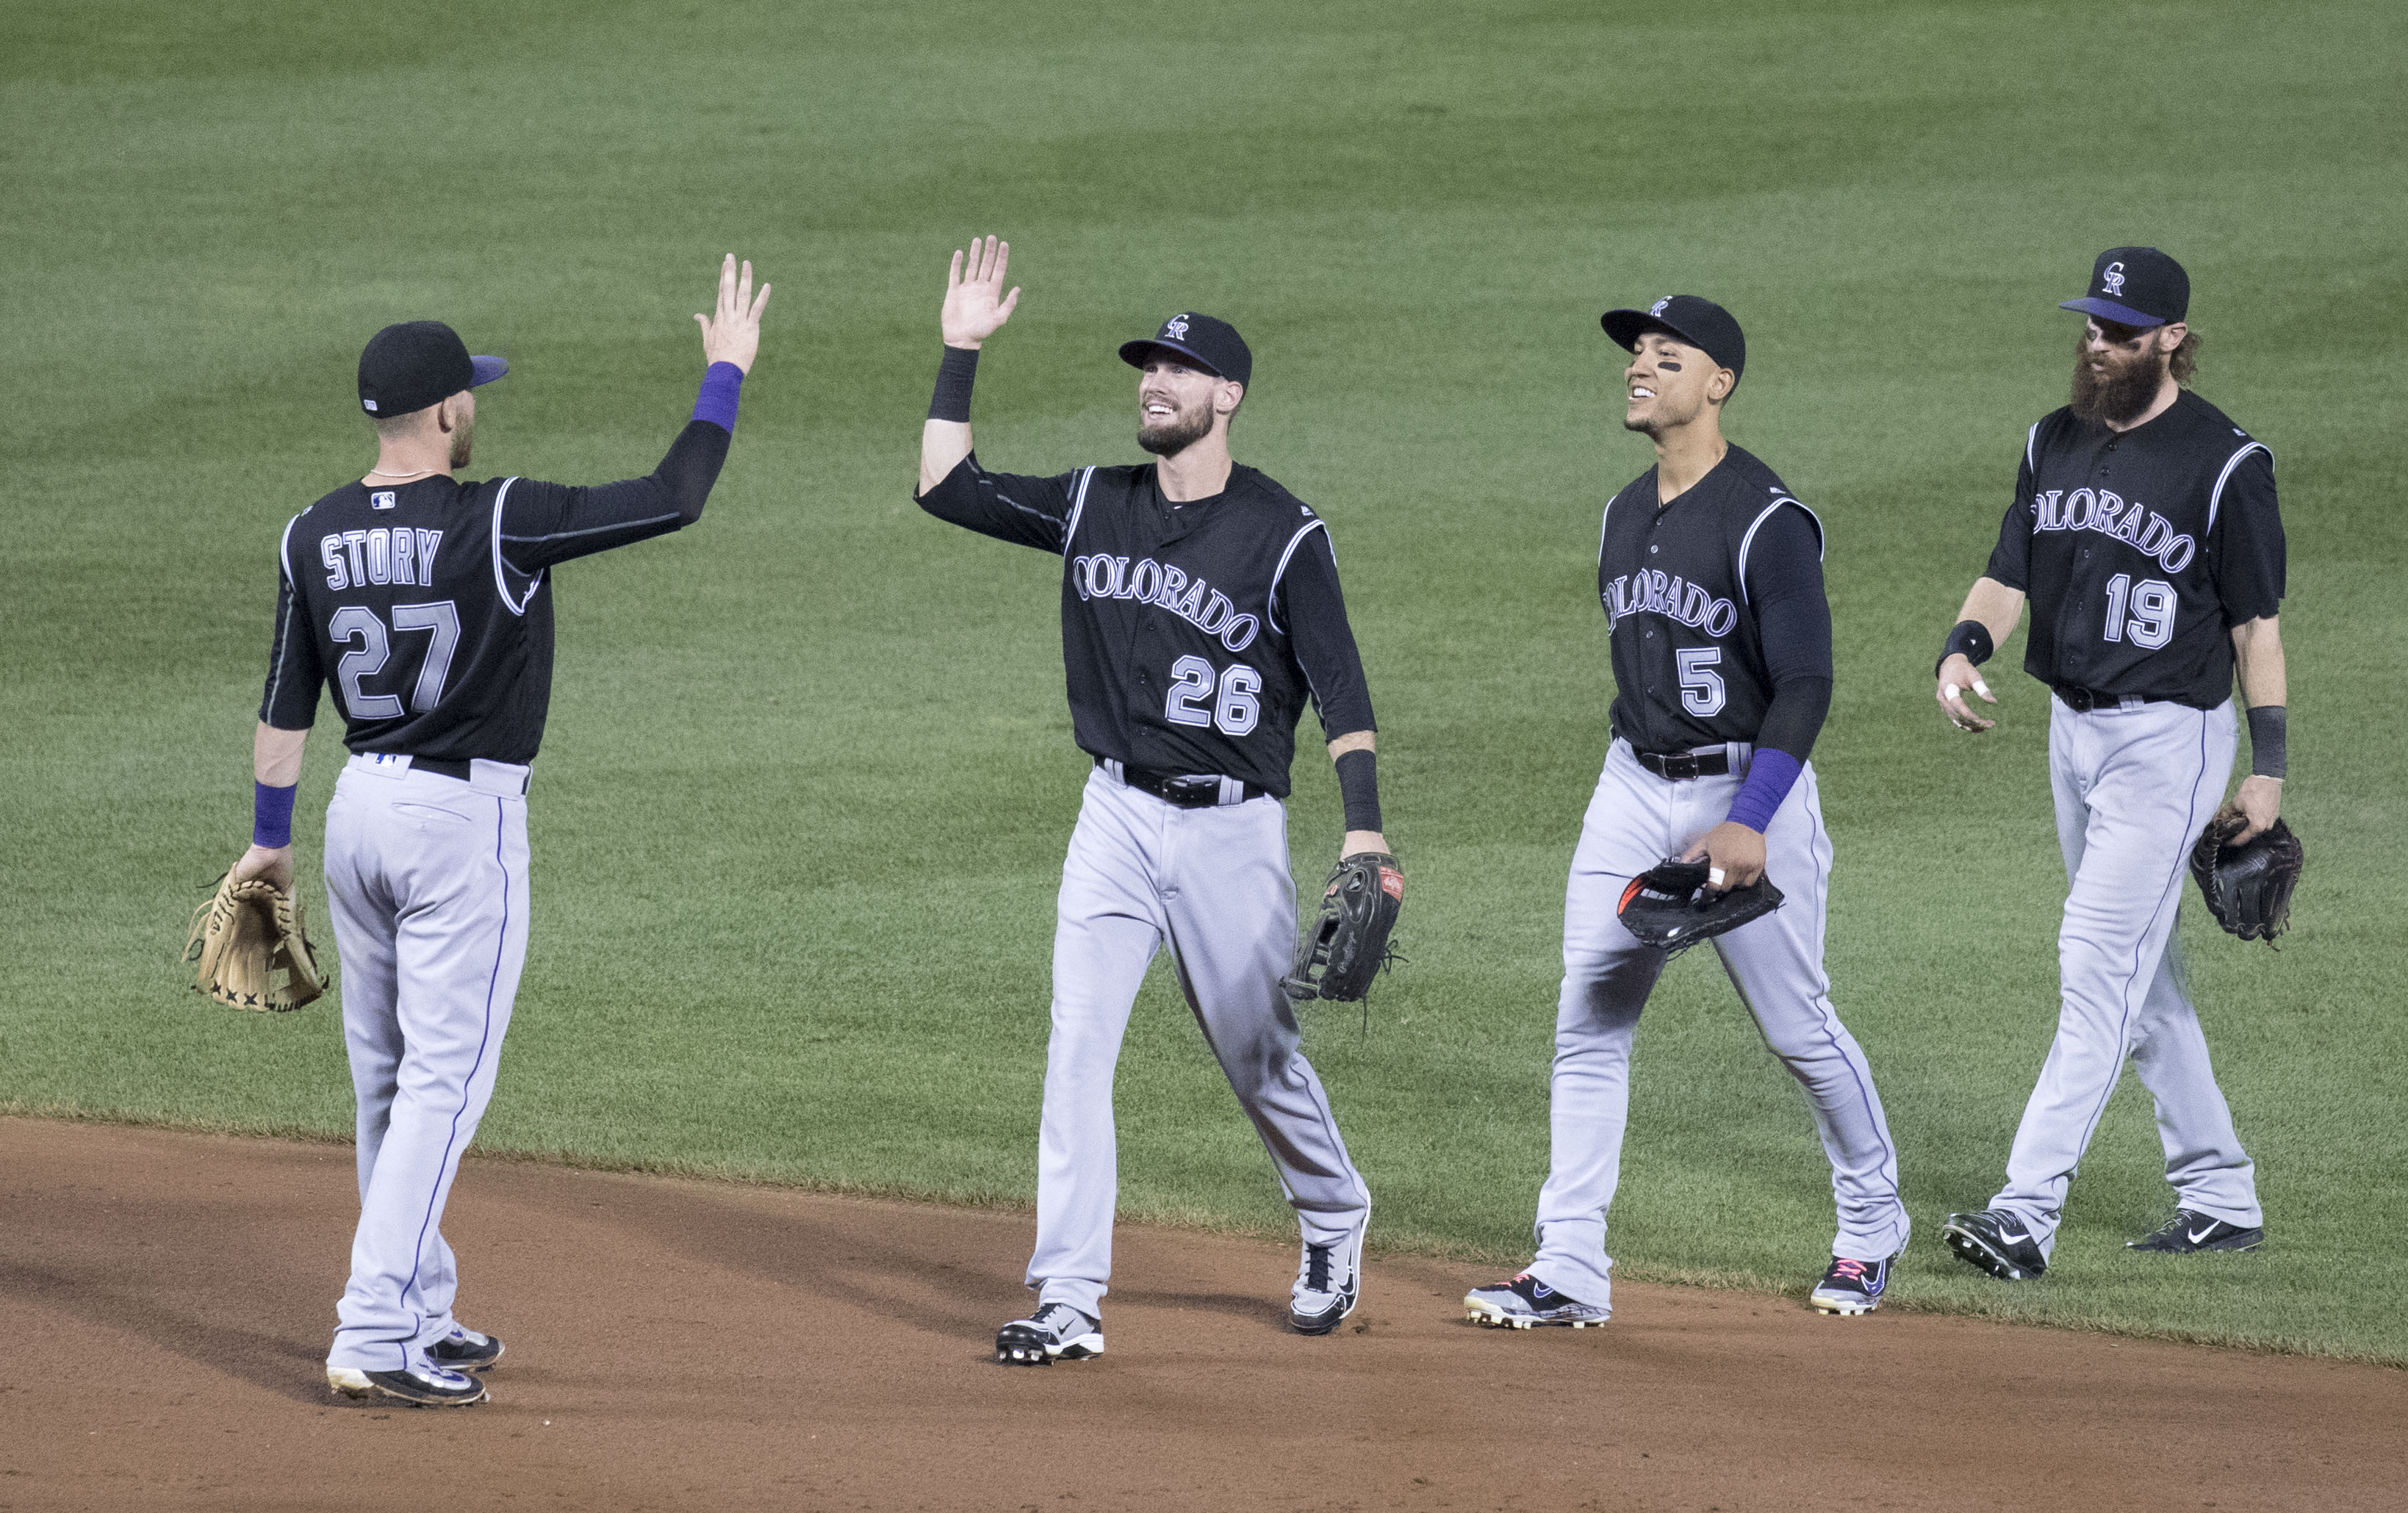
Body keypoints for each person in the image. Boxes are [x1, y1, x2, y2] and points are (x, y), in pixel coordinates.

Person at [236, 257, 769, 1405]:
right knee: (444, 1085)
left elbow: (286, 708)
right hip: (453, 823)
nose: (475, 404)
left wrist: (268, 841)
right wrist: (724, 371)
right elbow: (674, 495)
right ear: (442, 411)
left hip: (352, 815)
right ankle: (375, 1332)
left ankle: (418, 1301)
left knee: (386, 1080)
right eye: (467, 391)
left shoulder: (310, 534)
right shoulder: (501, 519)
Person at [910, 238, 1387, 1364]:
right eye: (1146, 368)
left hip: (1231, 827)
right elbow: (944, 486)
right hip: (1115, 816)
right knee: (1077, 1046)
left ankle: (1332, 1212)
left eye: (1176, 370)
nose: (1153, 383)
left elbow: (1343, 691)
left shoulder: (1283, 531)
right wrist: (958, 351)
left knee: (1253, 1049)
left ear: (1227, 396)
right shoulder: (1093, 502)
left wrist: (1362, 823)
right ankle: (1067, 1295)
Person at [1463, 295, 1909, 1326]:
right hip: (1631, 783)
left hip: (1749, 792)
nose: (1639, 368)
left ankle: (1871, 1217)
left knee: (1797, 1029)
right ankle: (1568, 1266)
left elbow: (1804, 680)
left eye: (1667, 357)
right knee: (1589, 1020)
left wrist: (1748, 816)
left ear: (1718, 384)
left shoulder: (1767, 520)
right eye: (1634, 354)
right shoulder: (1624, 511)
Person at [1932, 246, 2285, 1280]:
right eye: (2089, 326)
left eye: (2120, 333)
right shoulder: (2052, 440)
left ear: (2170, 338)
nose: (2097, 345)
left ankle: (2022, 1213)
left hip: (2166, 743)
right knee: (2144, 976)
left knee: (2095, 967)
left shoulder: (2224, 464)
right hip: (2071, 734)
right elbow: (2008, 573)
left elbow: (2255, 629)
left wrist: (2263, 771)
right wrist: (1962, 645)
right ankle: (2219, 1194)